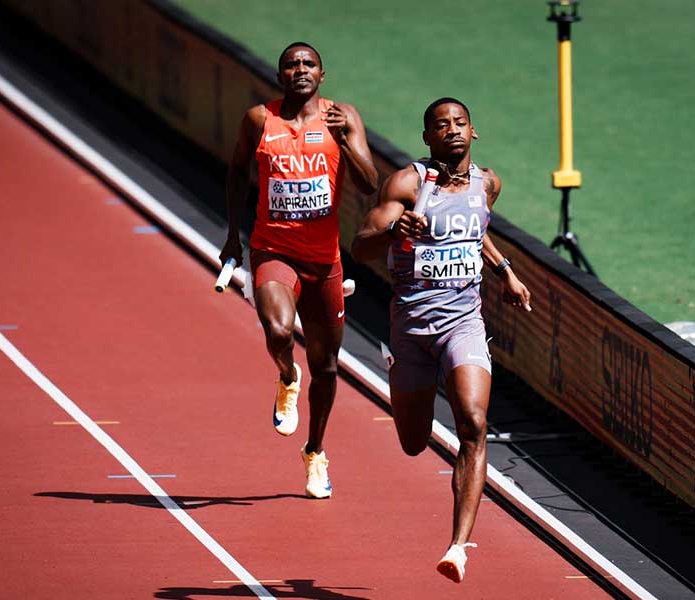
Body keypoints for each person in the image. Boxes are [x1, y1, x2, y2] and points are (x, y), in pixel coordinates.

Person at [351, 98, 531, 582]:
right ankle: (399, 372)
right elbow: (360, 246)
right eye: (441, 125)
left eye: (460, 123)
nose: (452, 130)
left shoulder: (487, 184)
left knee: (474, 422)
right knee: (413, 442)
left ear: (473, 131)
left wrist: (505, 272)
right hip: (411, 328)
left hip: (463, 323)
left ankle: (457, 547)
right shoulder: (407, 185)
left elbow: (476, 231)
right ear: (427, 137)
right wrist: (394, 230)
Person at [220, 42, 378, 499]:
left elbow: (369, 184)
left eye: (309, 64)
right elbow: (237, 172)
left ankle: (315, 451)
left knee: (326, 367)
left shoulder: (343, 116)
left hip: (324, 261)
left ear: (322, 75)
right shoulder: (259, 120)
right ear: (280, 77)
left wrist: (344, 139)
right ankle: (288, 375)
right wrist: (233, 235)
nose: (300, 69)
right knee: (278, 330)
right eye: (291, 64)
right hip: (273, 250)